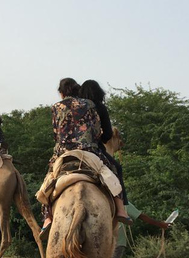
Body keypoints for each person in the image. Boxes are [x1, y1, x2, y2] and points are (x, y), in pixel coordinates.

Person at [40, 77, 129, 236]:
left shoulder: (56, 107)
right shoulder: (90, 105)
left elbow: (56, 133)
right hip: (89, 150)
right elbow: (97, 131)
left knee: (50, 177)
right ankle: (121, 209)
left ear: (61, 93)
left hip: (64, 151)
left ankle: (47, 217)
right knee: (112, 170)